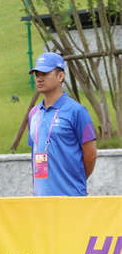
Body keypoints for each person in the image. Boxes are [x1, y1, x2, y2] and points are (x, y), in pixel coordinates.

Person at [27, 52, 97, 196]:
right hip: (41, 200)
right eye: (37, 74)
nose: (39, 78)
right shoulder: (34, 113)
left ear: (60, 76)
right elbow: (35, 153)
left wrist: (78, 181)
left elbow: (91, 155)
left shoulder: (77, 111)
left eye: (45, 74)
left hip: (70, 198)